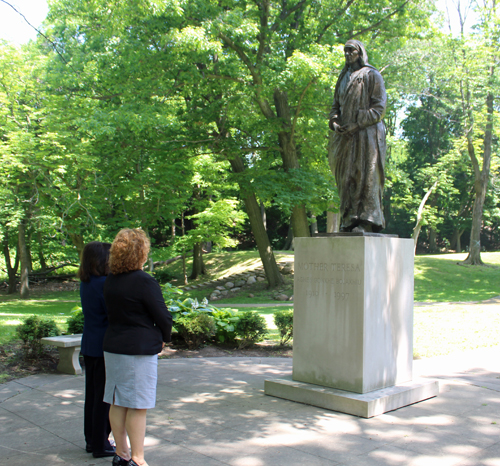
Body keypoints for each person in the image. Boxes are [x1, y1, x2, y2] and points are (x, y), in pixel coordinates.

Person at [103, 228, 172, 466]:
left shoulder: (110, 280)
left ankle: (121, 454)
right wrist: (165, 336)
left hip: (113, 346)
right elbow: (162, 315)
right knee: (138, 405)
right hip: (137, 350)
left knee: (117, 401)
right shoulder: (144, 281)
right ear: (141, 252)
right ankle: (138, 458)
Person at [329, 39, 387, 233]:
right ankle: (349, 220)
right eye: (345, 51)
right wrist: (335, 122)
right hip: (346, 138)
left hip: (366, 136)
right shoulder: (343, 77)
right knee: (346, 178)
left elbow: (379, 109)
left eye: (351, 51)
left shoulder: (372, 75)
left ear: (359, 52)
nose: (347, 54)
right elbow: (335, 107)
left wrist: (357, 123)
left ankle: (366, 220)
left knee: (365, 176)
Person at [78, 241, 115, 458]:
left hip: (90, 344)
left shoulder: (87, 282)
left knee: (92, 395)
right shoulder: (104, 284)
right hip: (103, 346)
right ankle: (101, 443)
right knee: (103, 397)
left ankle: (92, 440)